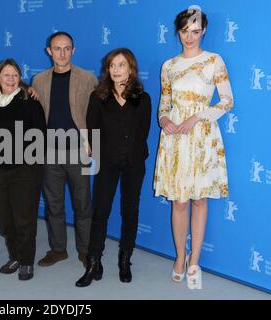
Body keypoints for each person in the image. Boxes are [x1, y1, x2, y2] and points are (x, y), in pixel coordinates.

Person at [153, 8, 233, 290]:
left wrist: (196, 117)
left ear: (204, 31)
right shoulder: (169, 66)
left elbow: (226, 101)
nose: (190, 36)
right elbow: (164, 103)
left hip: (201, 135)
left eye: (195, 31)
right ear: (178, 31)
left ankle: (195, 259)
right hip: (175, 137)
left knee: (199, 199)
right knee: (179, 201)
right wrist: (164, 119)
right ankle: (179, 256)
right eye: (185, 30)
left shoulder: (214, 61)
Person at [76, 48, 151, 287]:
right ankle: (94, 262)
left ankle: (124, 259)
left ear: (131, 68)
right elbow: (92, 129)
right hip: (106, 163)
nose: (116, 70)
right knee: (100, 213)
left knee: (130, 212)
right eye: (112, 66)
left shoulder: (143, 98)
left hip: (134, 163)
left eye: (121, 65)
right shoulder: (98, 96)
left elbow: (143, 133)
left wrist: (127, 152)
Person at [32, 32, 98, 268]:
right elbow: (34, 117)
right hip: (49, 151)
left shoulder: (88, 79)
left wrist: (93, 142)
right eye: (57, 48)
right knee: (54, 204)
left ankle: (85, 249)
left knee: (82, 203)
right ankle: (58, 249)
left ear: (73, 50)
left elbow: (96, 114)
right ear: (49, 51)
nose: (62, 53)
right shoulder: (38, 80)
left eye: (67, 48)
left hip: (78, 150)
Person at [0, 59, 46, 280]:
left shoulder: (29, 100)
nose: (11, 79)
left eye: (15, 75)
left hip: (25, 170)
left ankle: (27, 261)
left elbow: (40, 135)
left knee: (24, 218)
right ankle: (15, 255)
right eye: (7, 75)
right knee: (6, 219)